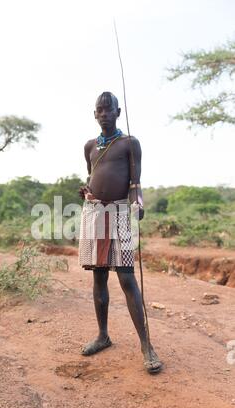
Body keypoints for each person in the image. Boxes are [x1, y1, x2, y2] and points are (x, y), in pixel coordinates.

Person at [78, 91, 162, 374]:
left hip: (119, 213)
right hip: (94, 214)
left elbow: (135, 183)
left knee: (126, 277)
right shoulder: (89, 146)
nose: (104, 114)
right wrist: (88, 192)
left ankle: (146, 346)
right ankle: (103, 335)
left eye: (108, 109)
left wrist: (138, 203)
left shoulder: (129, 144)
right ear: (94, 114)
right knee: (99, 276)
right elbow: (92, 176)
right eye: (99, 110)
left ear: (118, 112)